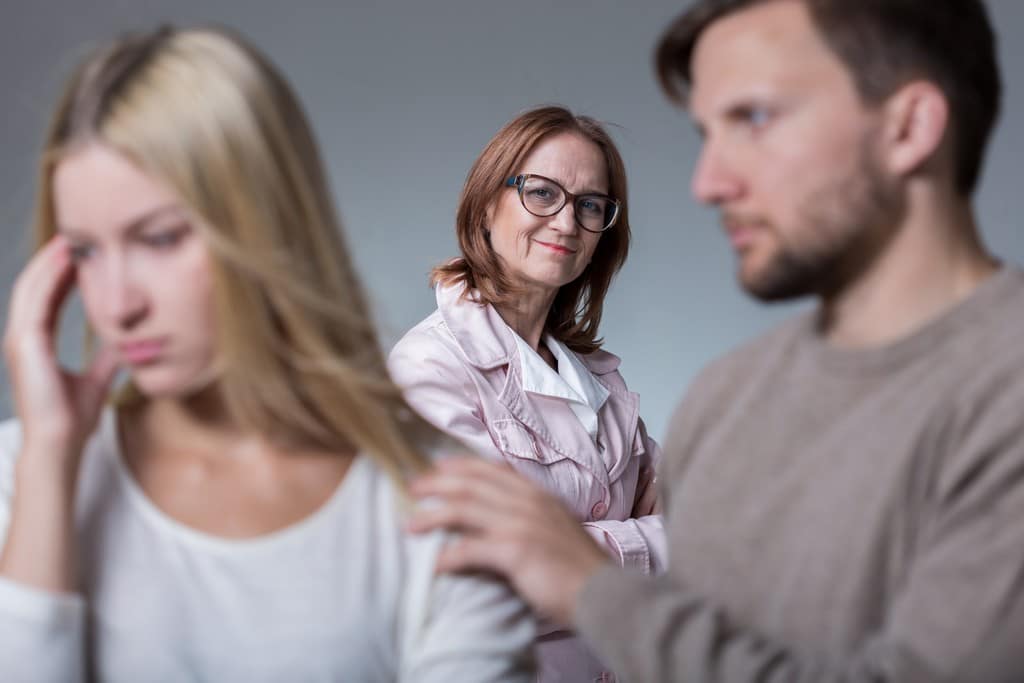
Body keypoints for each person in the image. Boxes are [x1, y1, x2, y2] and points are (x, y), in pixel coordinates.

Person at [407, 1, 1024, 681]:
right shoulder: (727, 398)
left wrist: (585, 572)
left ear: (908, 126)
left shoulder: (1003, 388)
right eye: (707, 131)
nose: (706, 183)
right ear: (487, 201)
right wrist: (654, 554)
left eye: (755, 118)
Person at [0, 25, 535, 682]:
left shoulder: (442, 504)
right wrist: (48, 462)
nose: (115, 304)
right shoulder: (19, 477)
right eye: (84, 250)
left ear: (268, 219)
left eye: (161, 238)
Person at [388, 105, 666, 682]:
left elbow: (711, 531)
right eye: (542, 193)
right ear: (488, 201)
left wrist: (560, 555)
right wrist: (652, 550)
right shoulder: (430, 368)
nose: (566, 222)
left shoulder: (596, 380)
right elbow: (470, 583)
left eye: (590, 205)